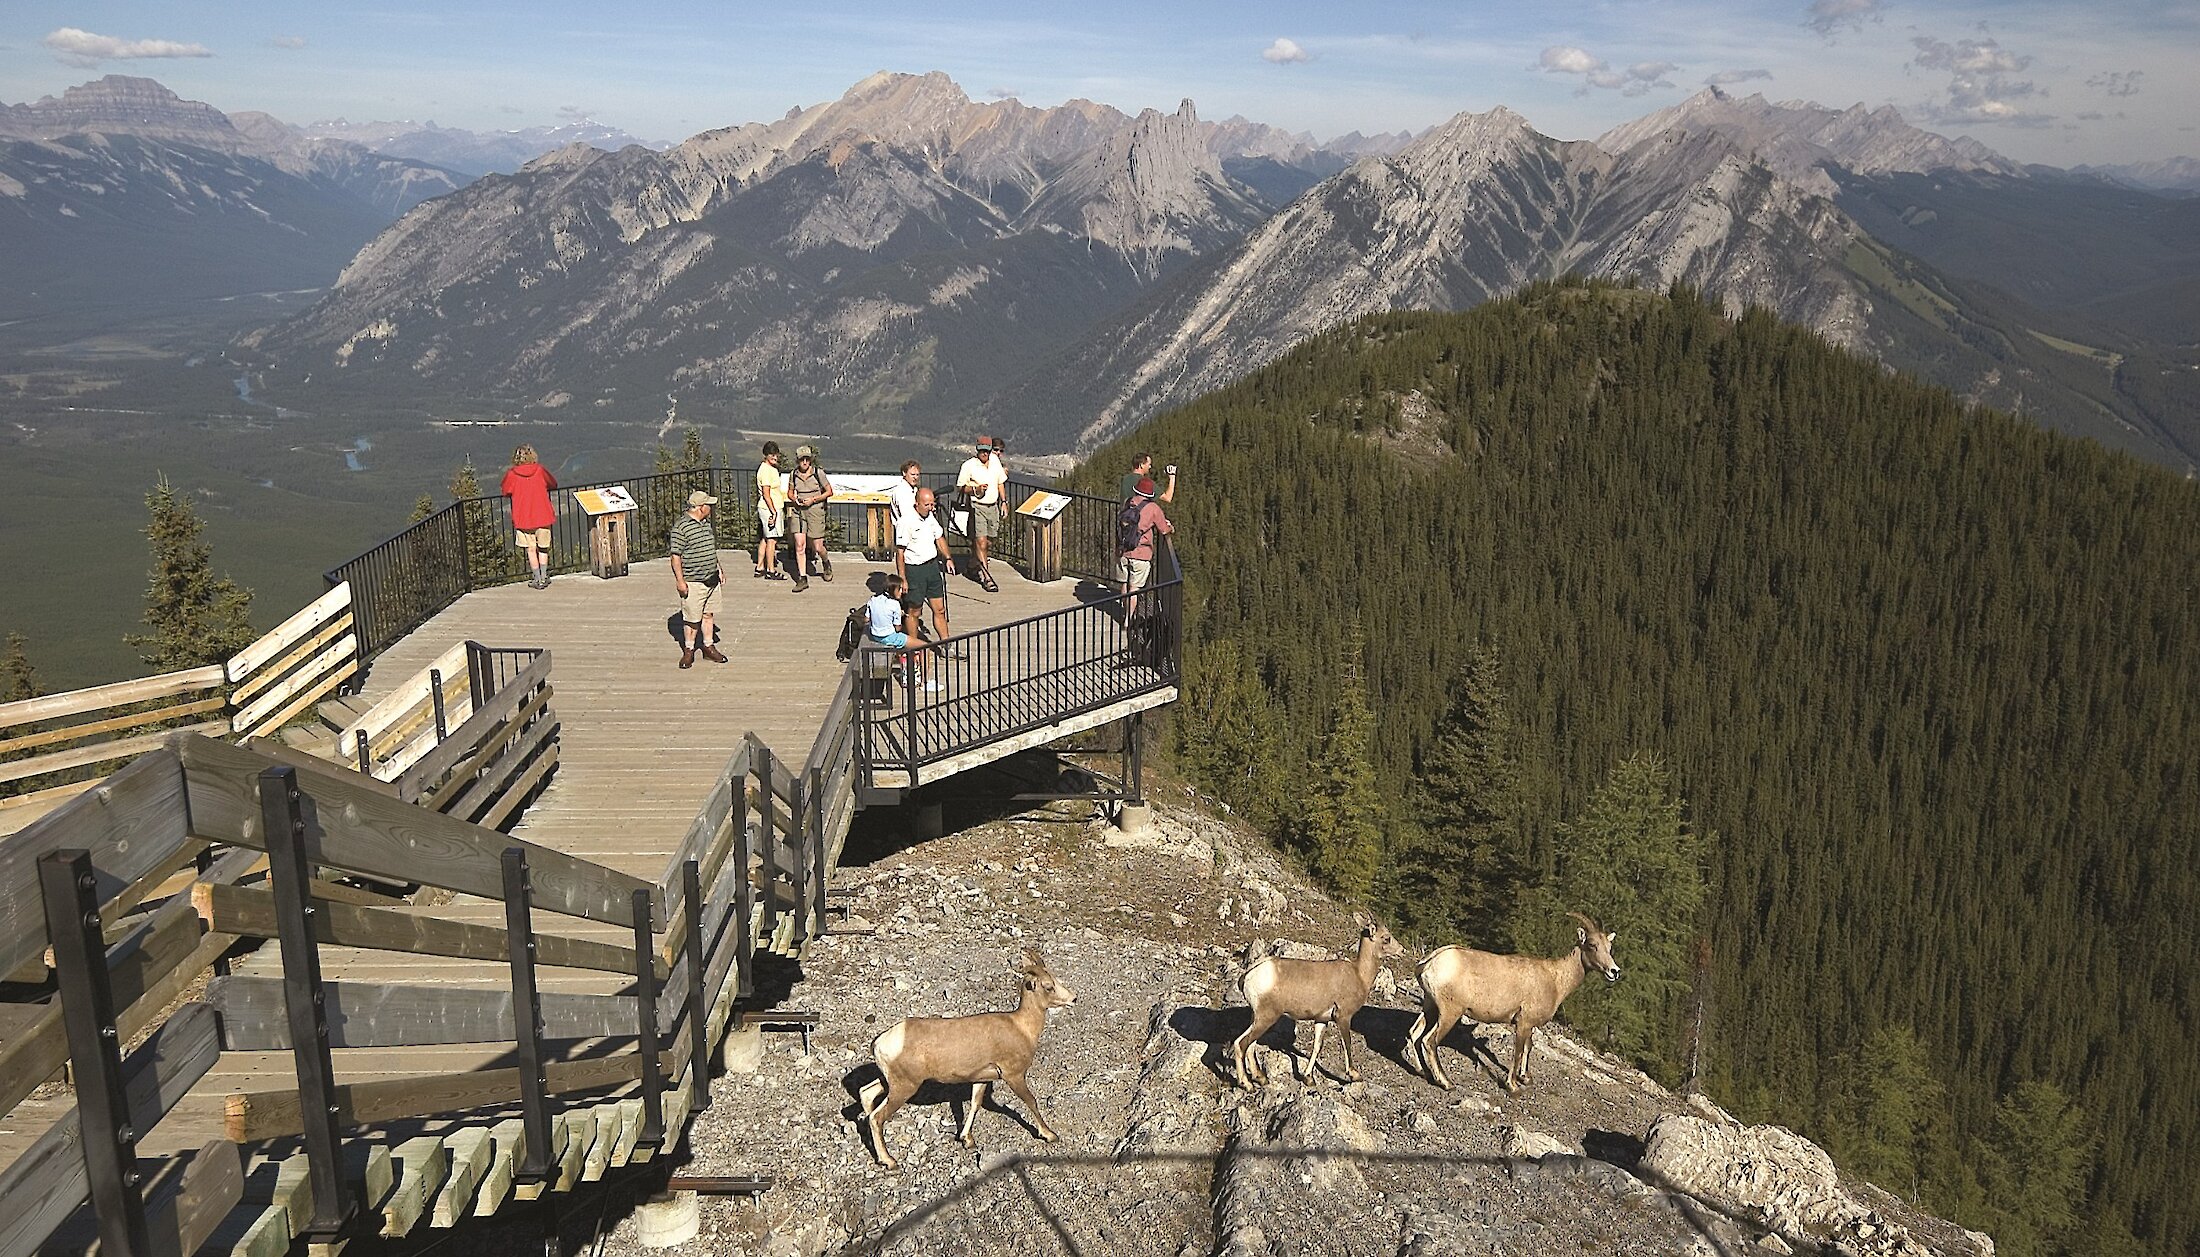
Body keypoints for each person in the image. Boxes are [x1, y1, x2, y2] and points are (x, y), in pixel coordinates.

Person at [669, 490, 727, 669]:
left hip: (711, 578)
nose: (711, 507)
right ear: (701, 508)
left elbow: (710, 548)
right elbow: (675, 556)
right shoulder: (681, 527)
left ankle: (708, 646)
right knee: (692, 618)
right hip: (693, 580)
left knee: (709, 613)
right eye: (708, 505)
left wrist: (719, 569)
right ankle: (689, 650)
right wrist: (680, 581)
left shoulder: (705, 524)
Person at [899, 486, 958, 654]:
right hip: (914, 569)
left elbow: (939, 537)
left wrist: (947, 558)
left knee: (939, 608)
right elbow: (900, 552)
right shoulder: (906, 522)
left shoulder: (930, 517)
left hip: (932, 567)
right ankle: (914, 647)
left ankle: (947, 645)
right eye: (927, 505)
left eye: (932, 504)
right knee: (914, 610)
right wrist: (902, 577)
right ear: (917, 504)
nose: (931, 508)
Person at [501, 444, 559, 589]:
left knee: (531, 549)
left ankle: (537, 578)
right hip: (543, 515)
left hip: (523, 518)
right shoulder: (540, 470)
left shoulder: (512, 474)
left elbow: (506, 490)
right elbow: (553, 483)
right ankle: (544, 577)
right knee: (543, 547)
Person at [1117, 476, 1174, 620]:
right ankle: (1128, 619)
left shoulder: (1128, 503)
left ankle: (1124, 610)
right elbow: (1164, 529)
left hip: (1123, 550)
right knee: (1134, 588)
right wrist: (1171, 527)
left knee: (1124, 584)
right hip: (1141, 553)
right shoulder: (1153, 508)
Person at [957, 436, 1008, 592]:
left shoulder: (995, 462)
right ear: (977, 450)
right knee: (981, 542)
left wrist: (1004, 502)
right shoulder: (969, 466)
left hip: (993, 506)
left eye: (987, 450)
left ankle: (973, 565)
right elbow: (960, 487)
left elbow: (1000, 482)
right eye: (982, 451)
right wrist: (975, 490)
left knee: (990, 540)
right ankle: (986, 577)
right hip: (977, 506)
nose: (984, 454)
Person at [786, 444, 835, 592]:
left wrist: (813, 499)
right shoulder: (793, 474)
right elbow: (789, 492)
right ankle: (802, 578)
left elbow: (829, 491)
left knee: (817, 546)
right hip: (798, 511)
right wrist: (795, 499)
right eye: (802, 460)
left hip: (815, 510)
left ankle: (826, 562)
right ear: (798, 461)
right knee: (799, 545)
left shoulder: (818, 473)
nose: (805, 462)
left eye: (807, 459)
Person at [754, 442, 787, 580]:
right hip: (770, 508)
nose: (775, 457)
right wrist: (773, 512)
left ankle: (760, 567)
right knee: (772, 540)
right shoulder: (767, 470)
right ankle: (770, 570)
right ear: (766, 455)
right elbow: (766, 494)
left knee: (765, 538)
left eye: (776, 454)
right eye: (771, 454)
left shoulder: (768, 468)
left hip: (768, 507)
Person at [888, 460, 922, 581]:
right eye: (912, 475)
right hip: (905, 530)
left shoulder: (914, 490)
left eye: (917, 475)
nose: (915, 477)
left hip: (914, 529)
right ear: (904, 473)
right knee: (907, 560)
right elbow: (906, 514)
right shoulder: (901, 492)